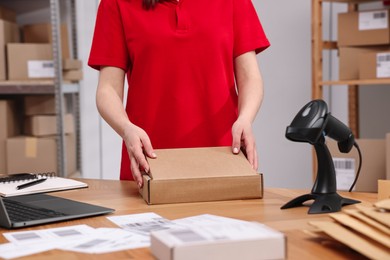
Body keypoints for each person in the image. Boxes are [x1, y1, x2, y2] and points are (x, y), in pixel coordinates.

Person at [88, 0, 270, 188]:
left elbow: (250, 78)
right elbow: (107, 89)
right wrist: (126, 128)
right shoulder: (116, 4)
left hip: (224, 160)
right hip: (149, 165)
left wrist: (245, 119)